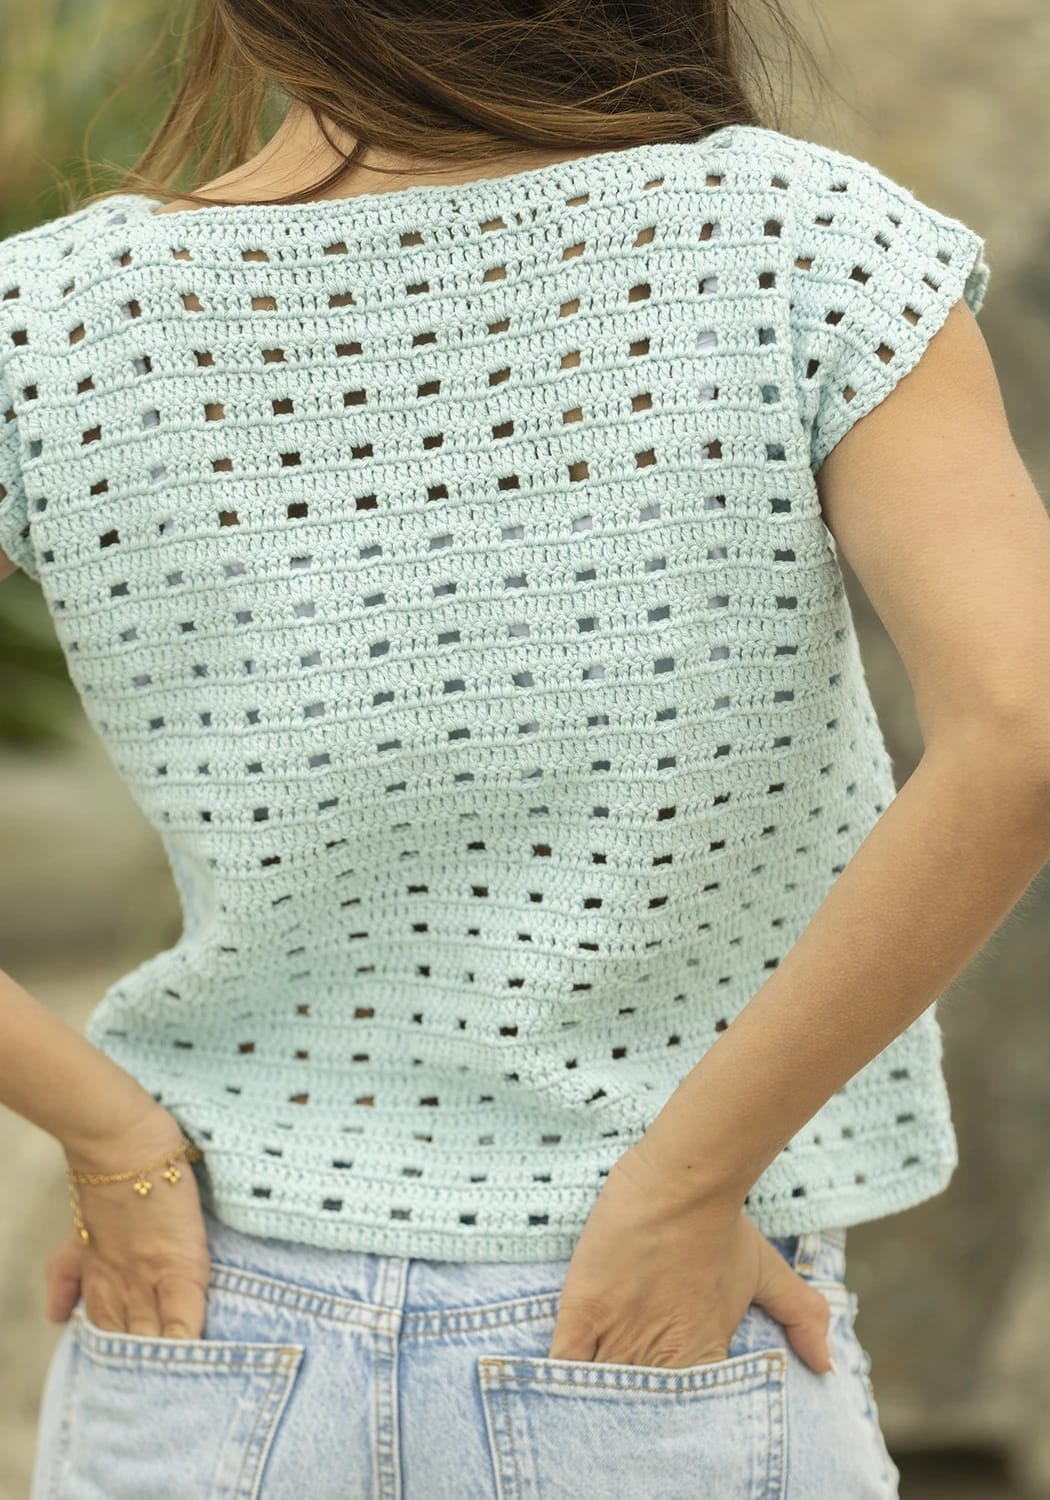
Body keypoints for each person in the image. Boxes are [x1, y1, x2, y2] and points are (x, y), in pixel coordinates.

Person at [2, 2, 1047, 1496]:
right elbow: (1022, 732)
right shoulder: (798, 241)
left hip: (203, 1320)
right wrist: (687, 1183)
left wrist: (107, 1133)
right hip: (642, 1320)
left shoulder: (51, 317)